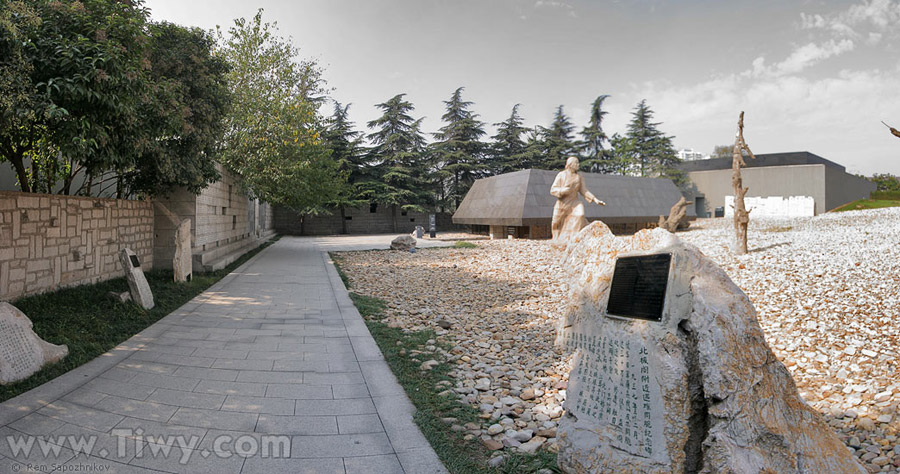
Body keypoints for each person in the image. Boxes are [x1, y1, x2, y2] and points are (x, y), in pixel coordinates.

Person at [550, 156, 605, 243]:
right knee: (556, 222)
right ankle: (556, 240)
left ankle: (574, 238)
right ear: (570, 164)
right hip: (563, 203)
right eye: (576, 163)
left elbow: (584, 190)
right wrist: (562, 190)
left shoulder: (578, 177)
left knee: (580, 215)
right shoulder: (561, 175)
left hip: (575, 202)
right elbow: (553, 189)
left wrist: (595, 199)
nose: (578, 165)